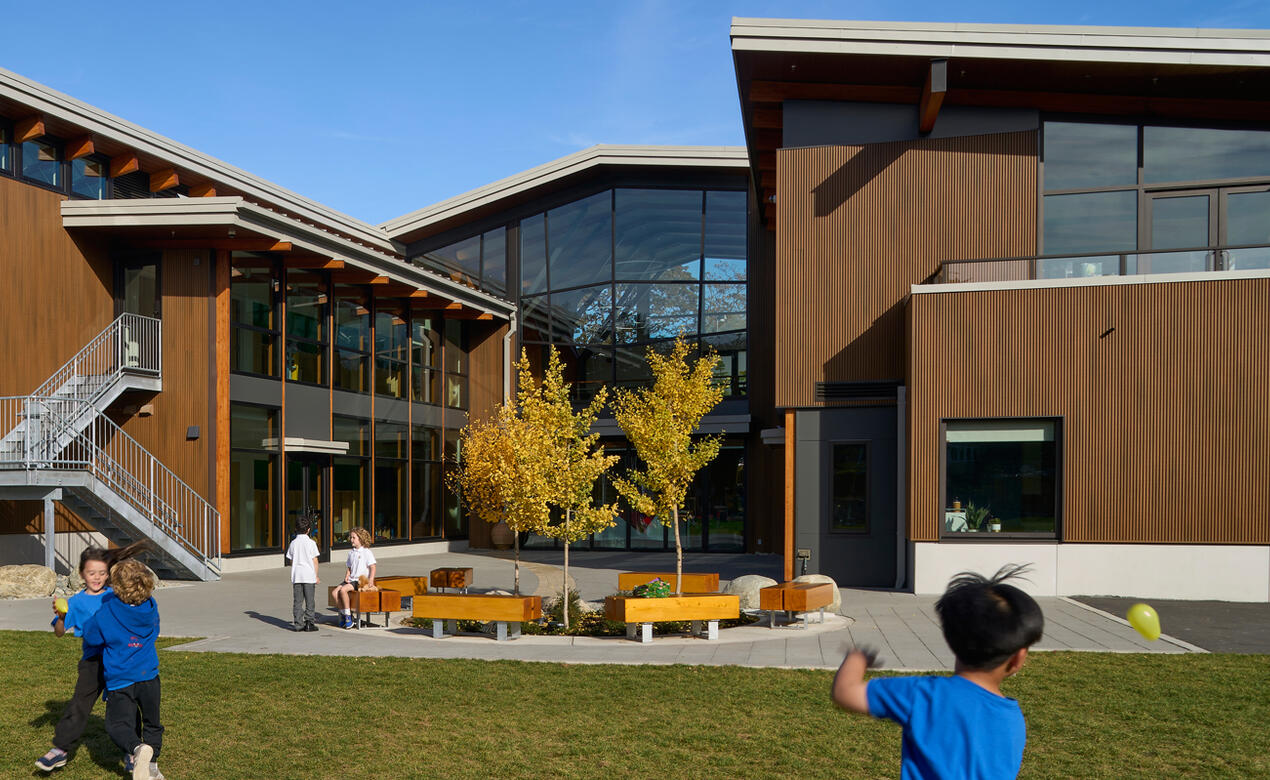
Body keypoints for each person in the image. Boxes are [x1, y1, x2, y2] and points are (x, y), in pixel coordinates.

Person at [831, 564, 1044, 780]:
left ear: (951, 639)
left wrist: (856, 659)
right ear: (1017, 658)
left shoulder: (923, 695)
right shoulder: (1012, 720)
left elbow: (845, 693)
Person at [36, 541, 149, 774]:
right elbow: (59, 632)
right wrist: (59, 617)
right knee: (79, 704)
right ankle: (60, 750)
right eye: (91, 573)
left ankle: (133, 751)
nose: (97, 578)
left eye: (101, 573)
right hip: (93, 662)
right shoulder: (75, 602)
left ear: (108, 574)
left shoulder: (115, 595)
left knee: (126, 705)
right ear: (81, 574)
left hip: (119, 659)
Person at [81, 558, 164, 780]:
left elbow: (92, 636)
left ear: (116, 586)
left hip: (121, 679)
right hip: (149, 676)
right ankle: (153, 767)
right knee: (152, 722)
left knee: (118, 724)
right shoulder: (150, 608)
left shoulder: (107, 612)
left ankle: (137, 749)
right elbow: (155, 631)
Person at [331, 526, 376, 630]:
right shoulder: (351, 552)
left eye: (353, 538)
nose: (351, 540)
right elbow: (349, 567)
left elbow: (372, 567)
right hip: (351, 579)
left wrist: (371, 579)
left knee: (343, 590)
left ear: (360, 539)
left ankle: (347, 618)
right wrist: (347, 576)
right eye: (350, 537)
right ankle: (346, 614)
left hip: (360, 580)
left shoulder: (366, 552)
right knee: (334, 593)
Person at [285, 514, 321, 631]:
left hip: (297, 576)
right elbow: (315, 560)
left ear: (296, 529)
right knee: (310, 600)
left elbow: (290, 560)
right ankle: (309, 622)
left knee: (298, 601)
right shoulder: (311, 543)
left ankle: (298, 623)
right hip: (309, 576)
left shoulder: (293, 543)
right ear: (309, 530)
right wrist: (316, 575)